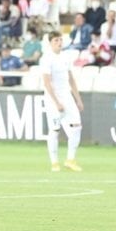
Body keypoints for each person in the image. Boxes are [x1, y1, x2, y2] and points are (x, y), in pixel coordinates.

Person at [39, 32, 84, 173]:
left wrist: (78, 99)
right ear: (50, 43)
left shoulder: (66, 57)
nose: (59, 42)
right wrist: (56, 102)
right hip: (53, 98)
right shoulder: (46, 59)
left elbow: (71, 79)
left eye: (60, 40)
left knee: (77, 126)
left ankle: (70, 159)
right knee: (55, 129)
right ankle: (54, 162)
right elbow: (47, 82)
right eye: (56, 40)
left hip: (67, 96)